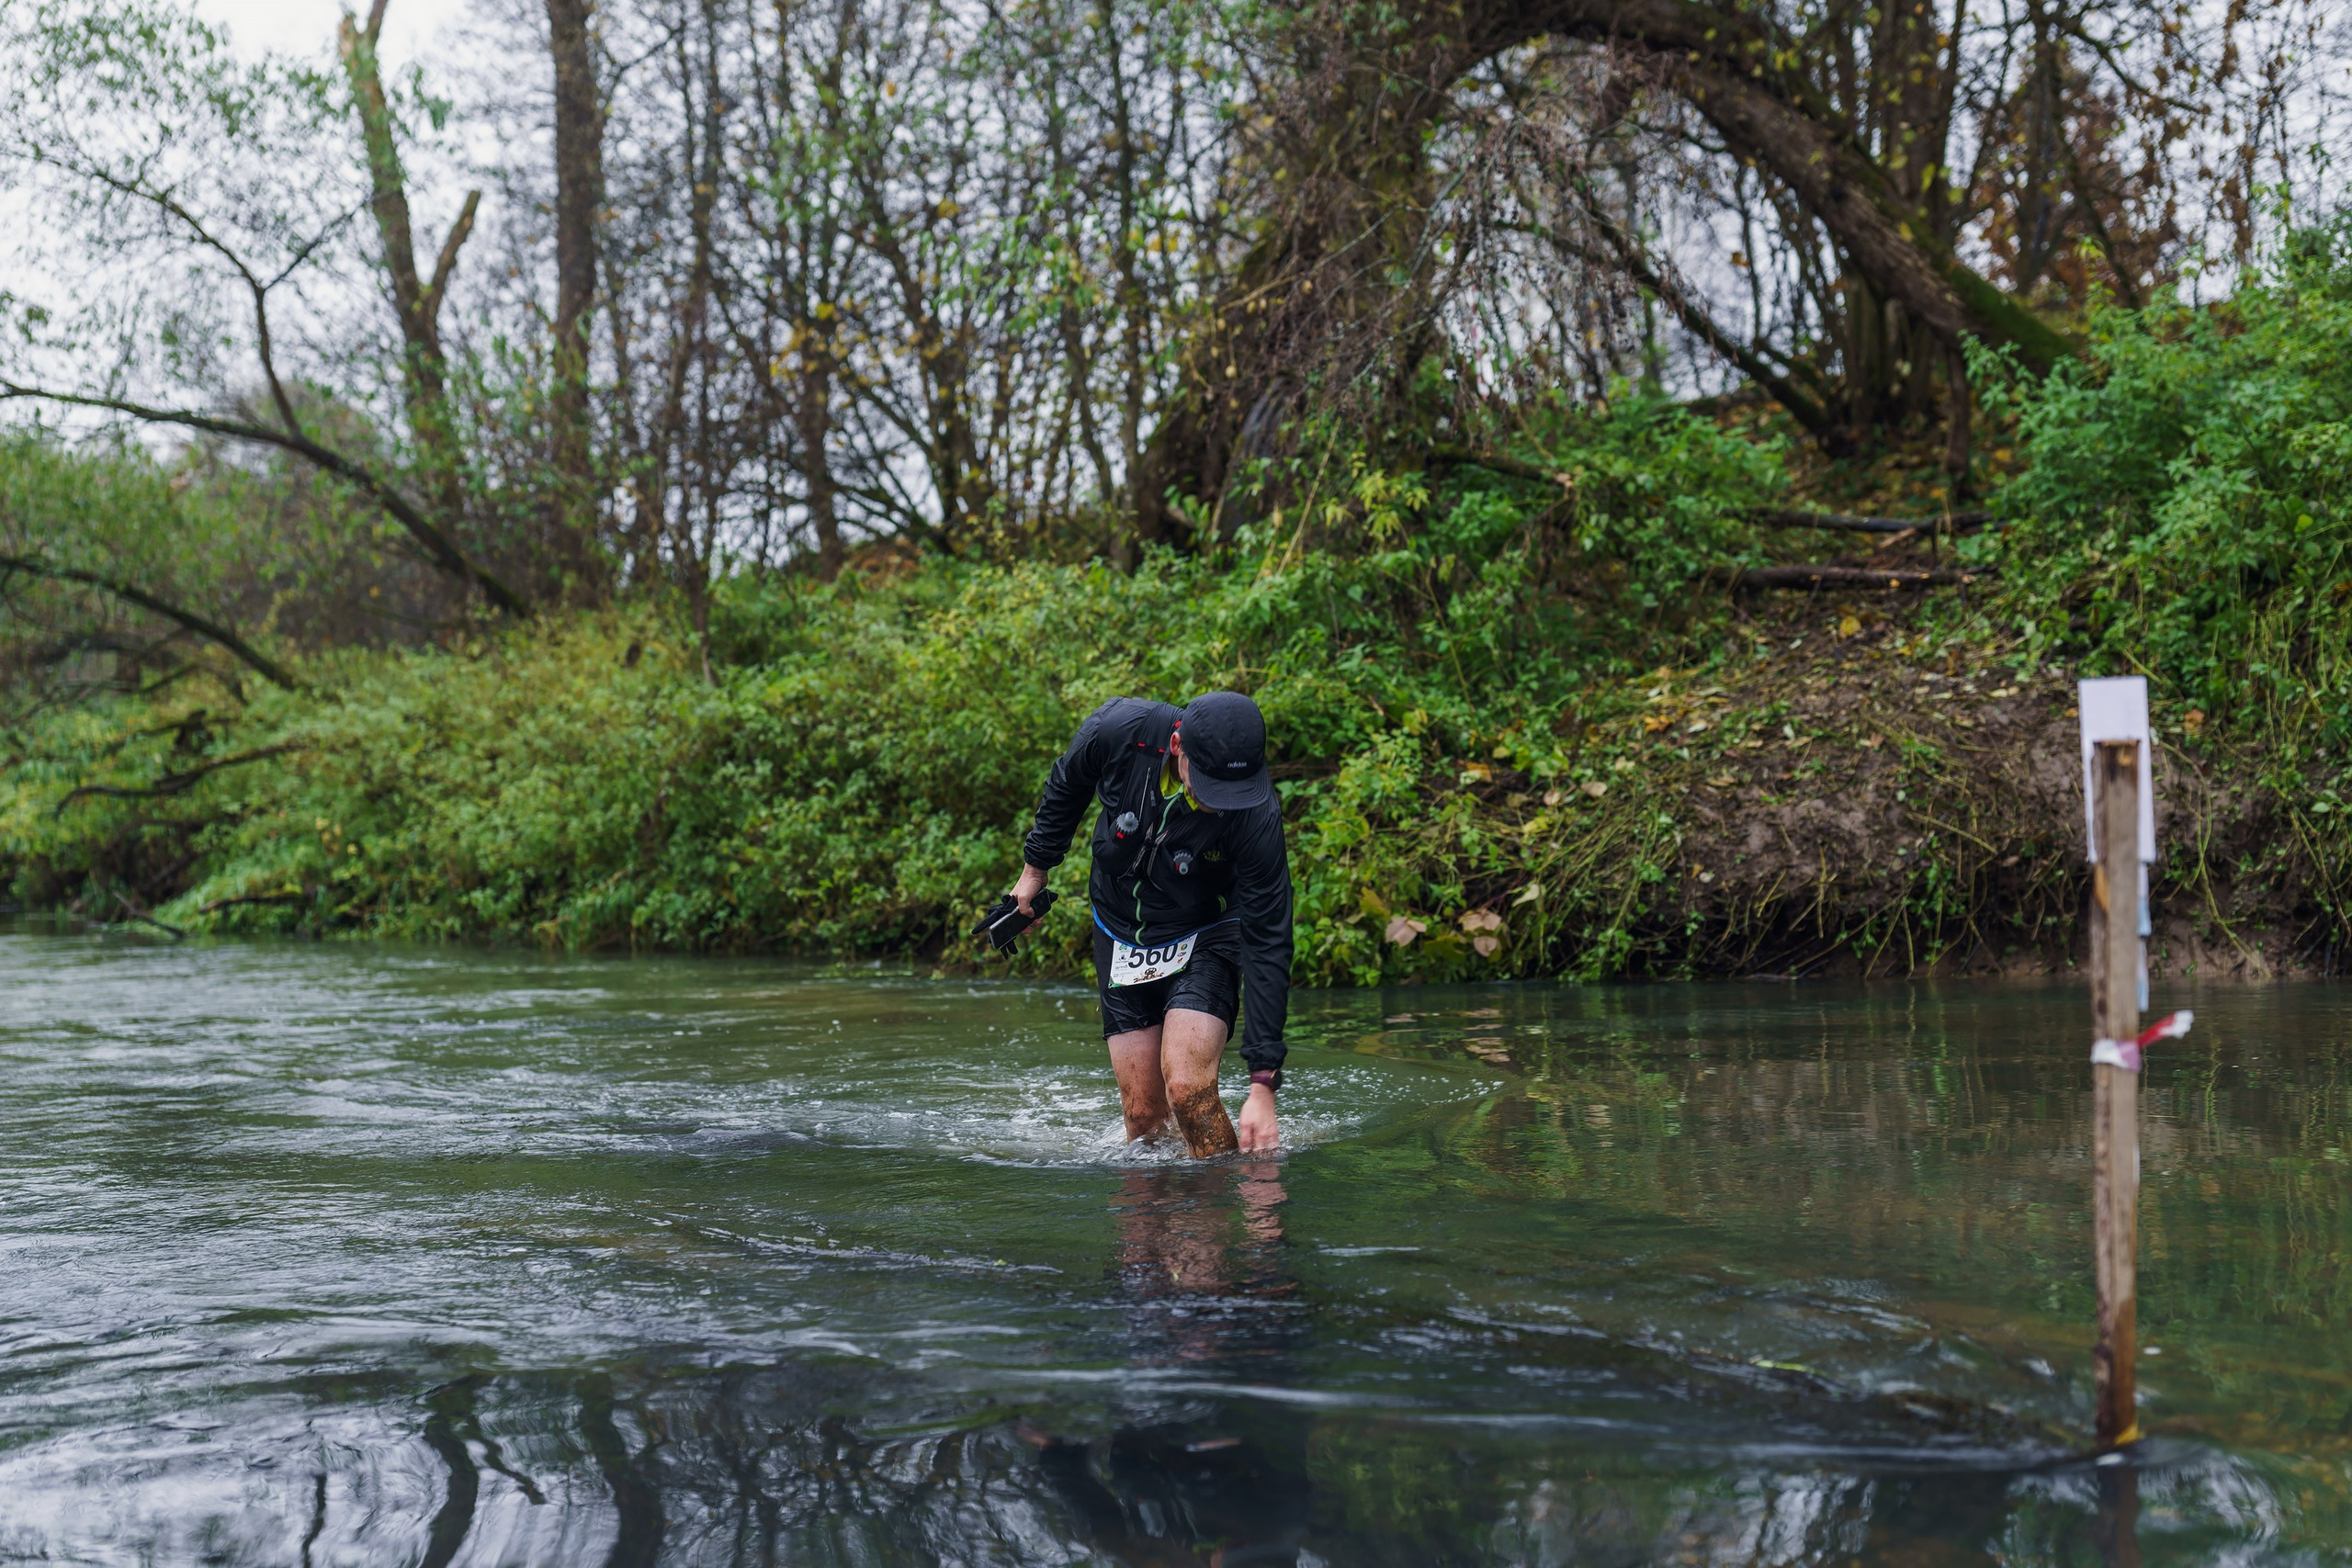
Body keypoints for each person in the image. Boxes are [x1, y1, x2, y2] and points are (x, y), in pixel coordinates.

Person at [1009, 692, 1292, 1156]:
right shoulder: (1122, 728)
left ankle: (1217, 1217)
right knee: (1143, 1117)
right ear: (1177, 746)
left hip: (1208, 926)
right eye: (1208, 786)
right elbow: (1069, 782)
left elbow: (1269, 940)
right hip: (1120, 924)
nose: (1218, 805)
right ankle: (1159, 1225)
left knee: (1188, 1089)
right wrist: (1035, 870)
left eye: (1231, 793)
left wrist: (1263, 1084)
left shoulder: (1256, 815)